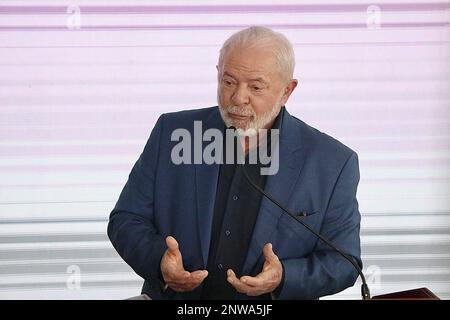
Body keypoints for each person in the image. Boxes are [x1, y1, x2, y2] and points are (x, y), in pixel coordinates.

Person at [108, 26, 362, 300]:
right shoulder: (172, 134)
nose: (238, 98)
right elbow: (126, 220)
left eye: (255, 86)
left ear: (287, 90)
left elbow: (343, 262)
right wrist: (160, 262)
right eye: (228, 82)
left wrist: (283, 277)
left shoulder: (332, 162)